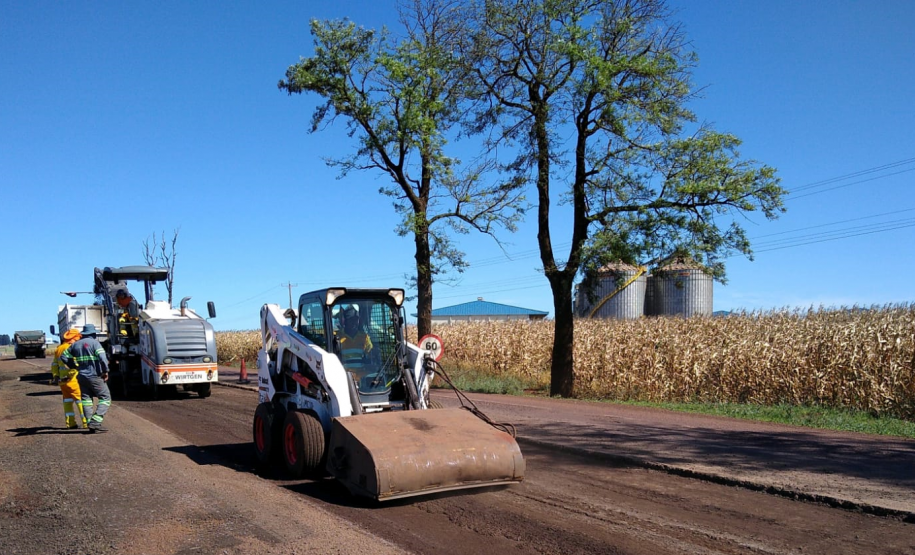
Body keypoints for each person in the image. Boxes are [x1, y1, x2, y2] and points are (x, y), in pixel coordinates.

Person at [60, 324, 111, 433]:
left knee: (86, 400)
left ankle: (90, 424)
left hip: (81, 376)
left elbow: (63, 356)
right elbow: (103, 358)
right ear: (93, 334)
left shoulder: (75, 345)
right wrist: (105, 371)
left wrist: (74, 366)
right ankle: (96, 421)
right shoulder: (95, 344)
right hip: (95, 375)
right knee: (105, 398)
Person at [51, 329, 87, 429]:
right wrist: (70, 375)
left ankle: (70, 423)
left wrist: (56, 376)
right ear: (74, 338)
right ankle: (86, 423)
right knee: (80, 401)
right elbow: (75, 365)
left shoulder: (59, 348)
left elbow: (54, 364)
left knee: (67, 402)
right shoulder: (73, 348)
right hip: (73, 380)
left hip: (62, 382)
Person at [338, 305, 374, 374]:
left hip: (361, 378)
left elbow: (370, 356)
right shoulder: (338, 337)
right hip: (344, 377)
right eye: (351, 320)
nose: (354, 322)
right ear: (345, 321)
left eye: (356, 319)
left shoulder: (364, 337)